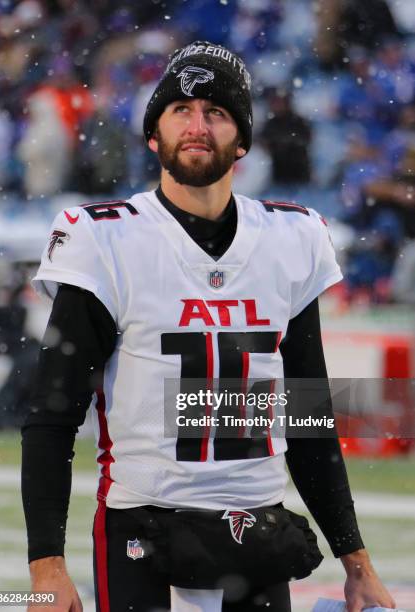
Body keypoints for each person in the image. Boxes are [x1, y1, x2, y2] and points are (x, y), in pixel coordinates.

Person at [21, 41, 396, 612]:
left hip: (259, 526)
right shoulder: (106, 240)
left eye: (216, 112)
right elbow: (52, 416)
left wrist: (357, 562)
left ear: (241, 139)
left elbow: (308, 418)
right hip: (142, 526)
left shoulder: (288, 241)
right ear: (154, 134)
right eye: (181, 110)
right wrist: (46, 567)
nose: (198, 125)